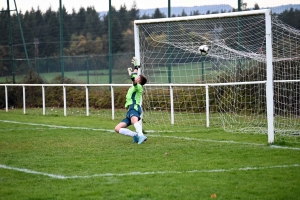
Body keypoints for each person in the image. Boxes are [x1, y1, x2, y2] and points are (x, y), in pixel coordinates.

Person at [114, 57, 148, 144]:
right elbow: (134, 75)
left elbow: (134, 80)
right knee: (117, 128)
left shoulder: (138, 86)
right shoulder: (135, 84)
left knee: (134, 121)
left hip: (134, 107)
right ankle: (135, 135)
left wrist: (132, 76)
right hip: (130, 110)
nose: (137, 77)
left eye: (138, 77)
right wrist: (136, 66)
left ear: (139, 81)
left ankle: (141, 135)